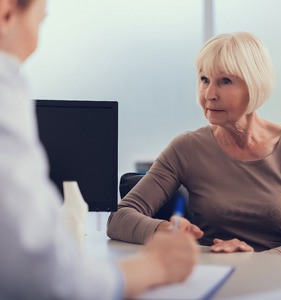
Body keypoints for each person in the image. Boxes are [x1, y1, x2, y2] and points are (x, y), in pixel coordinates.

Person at [0, 0, 198, 299]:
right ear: (6, 13)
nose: (210, 94)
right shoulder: (5, 89)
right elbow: (42, 272)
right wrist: (155, 264)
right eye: (39, 22)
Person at [107, 31, 281, 258]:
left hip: (278, 278)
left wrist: (256, 261)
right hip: (209, 273)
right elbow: (119, 218)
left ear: (255, 85)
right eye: (204, 80)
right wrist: (165, 230)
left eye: (225, 81)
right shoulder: (187, 147)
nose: (209, 94)